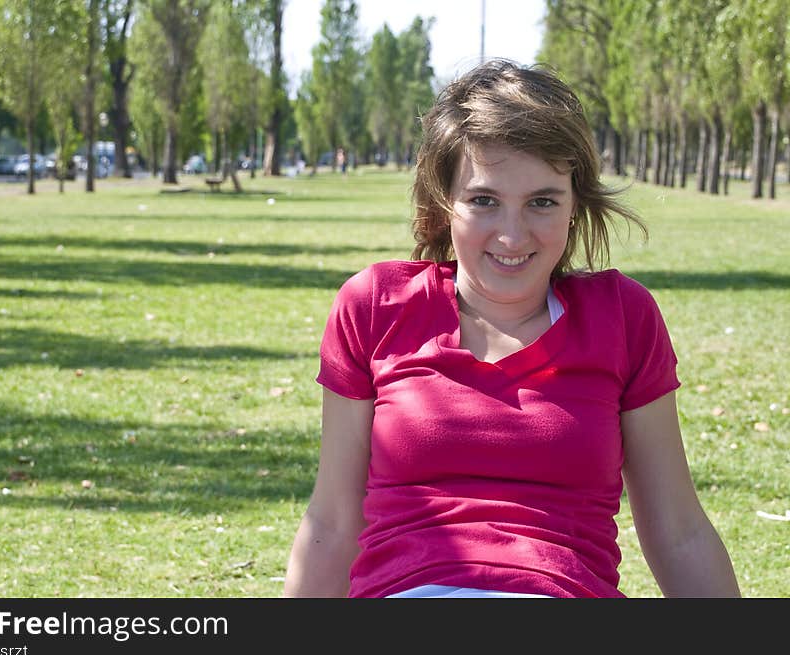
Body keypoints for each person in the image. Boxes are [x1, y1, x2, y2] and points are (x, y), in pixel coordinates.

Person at [282, 59, 740, 598]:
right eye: (484, 201)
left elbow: (678, 531)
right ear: (443, 203)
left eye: (542, 201)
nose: (512, 233)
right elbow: (332, 523)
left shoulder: (623, 317)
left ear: (575, 207)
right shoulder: (376, 306)